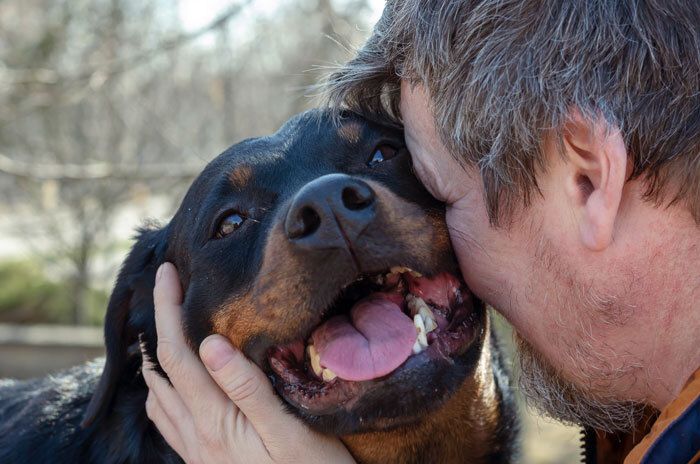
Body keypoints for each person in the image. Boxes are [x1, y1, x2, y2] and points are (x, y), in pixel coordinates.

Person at [141, 1, 700, 463]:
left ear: (589, 178)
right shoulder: (644, 423)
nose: (329, 204)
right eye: (233, 224)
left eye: (404, 166)